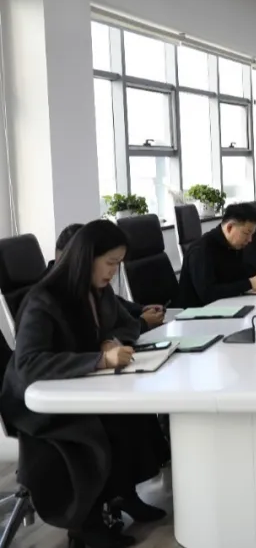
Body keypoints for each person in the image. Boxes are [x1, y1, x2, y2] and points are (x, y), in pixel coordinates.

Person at [0, 220, 170, 547]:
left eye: (118, 264)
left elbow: (127, 324)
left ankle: (124, 495)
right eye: (110, 263)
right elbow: (30, 364)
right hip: (36, 401)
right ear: (86, 258)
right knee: (100, 425)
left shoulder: (98, 292)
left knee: (134, 411)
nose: (114, 272)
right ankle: (85, 524)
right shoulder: (43, 300)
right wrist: (99, 360)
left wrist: (110, 340)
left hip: (77, 384)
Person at [52, 224, 164, 332]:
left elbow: (114, 303)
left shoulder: (95, 283)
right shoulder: (51, 296)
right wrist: (142, 323)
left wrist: (140, 309)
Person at [175, 203, 256, 308]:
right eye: (246, 233)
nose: (250, 240)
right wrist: (250, 284)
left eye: (252, 234)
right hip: (197, 313)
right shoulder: (201, 250)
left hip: (226, 306)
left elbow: (235, 274)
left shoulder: (233, 245)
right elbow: (207, 294)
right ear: (230, 227)